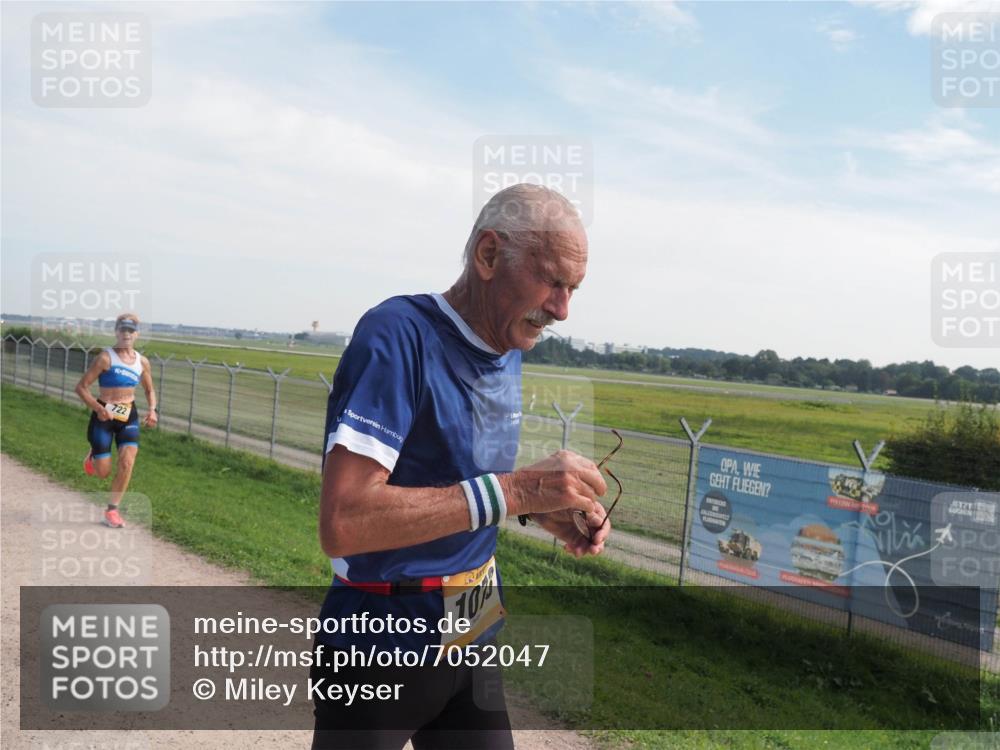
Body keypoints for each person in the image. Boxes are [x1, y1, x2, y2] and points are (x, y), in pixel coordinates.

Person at [312, 184, 611, 749]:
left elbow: (456, 483)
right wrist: (518, 492)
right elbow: (344, 522)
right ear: (489, 256)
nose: (562, 309)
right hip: (382, 636)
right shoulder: (399, 334)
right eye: (552, 281)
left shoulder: (507, 346)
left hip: (471, 626)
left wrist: (541, 511)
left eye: (573, 290)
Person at [75, 313, 158, 528]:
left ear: (136, 334)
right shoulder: (105, 358)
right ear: (116, 332)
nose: (126, 334)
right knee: (103, 472)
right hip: (103, 416)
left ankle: (112, 510)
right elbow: (81, 387)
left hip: (128, 416)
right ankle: (93, 455)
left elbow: (149, 390)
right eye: (123, 330)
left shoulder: (142, 362)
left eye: (131, 331)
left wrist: (152, 410)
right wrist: (98, 408)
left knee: (127, 462)